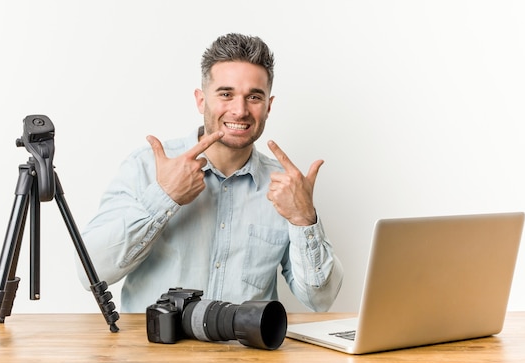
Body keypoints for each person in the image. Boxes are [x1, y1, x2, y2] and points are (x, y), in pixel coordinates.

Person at [78, 33, 343, 313]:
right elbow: (91, 273)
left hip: (247, 354)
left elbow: (321, 301)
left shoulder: (285, 188)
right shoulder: (146, 167)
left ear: (268, 106)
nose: (239, 111)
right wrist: (163, 197)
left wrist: (304, 220)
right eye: (226, 94)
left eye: (254, 97)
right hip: (155, 353)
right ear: (201, 100)